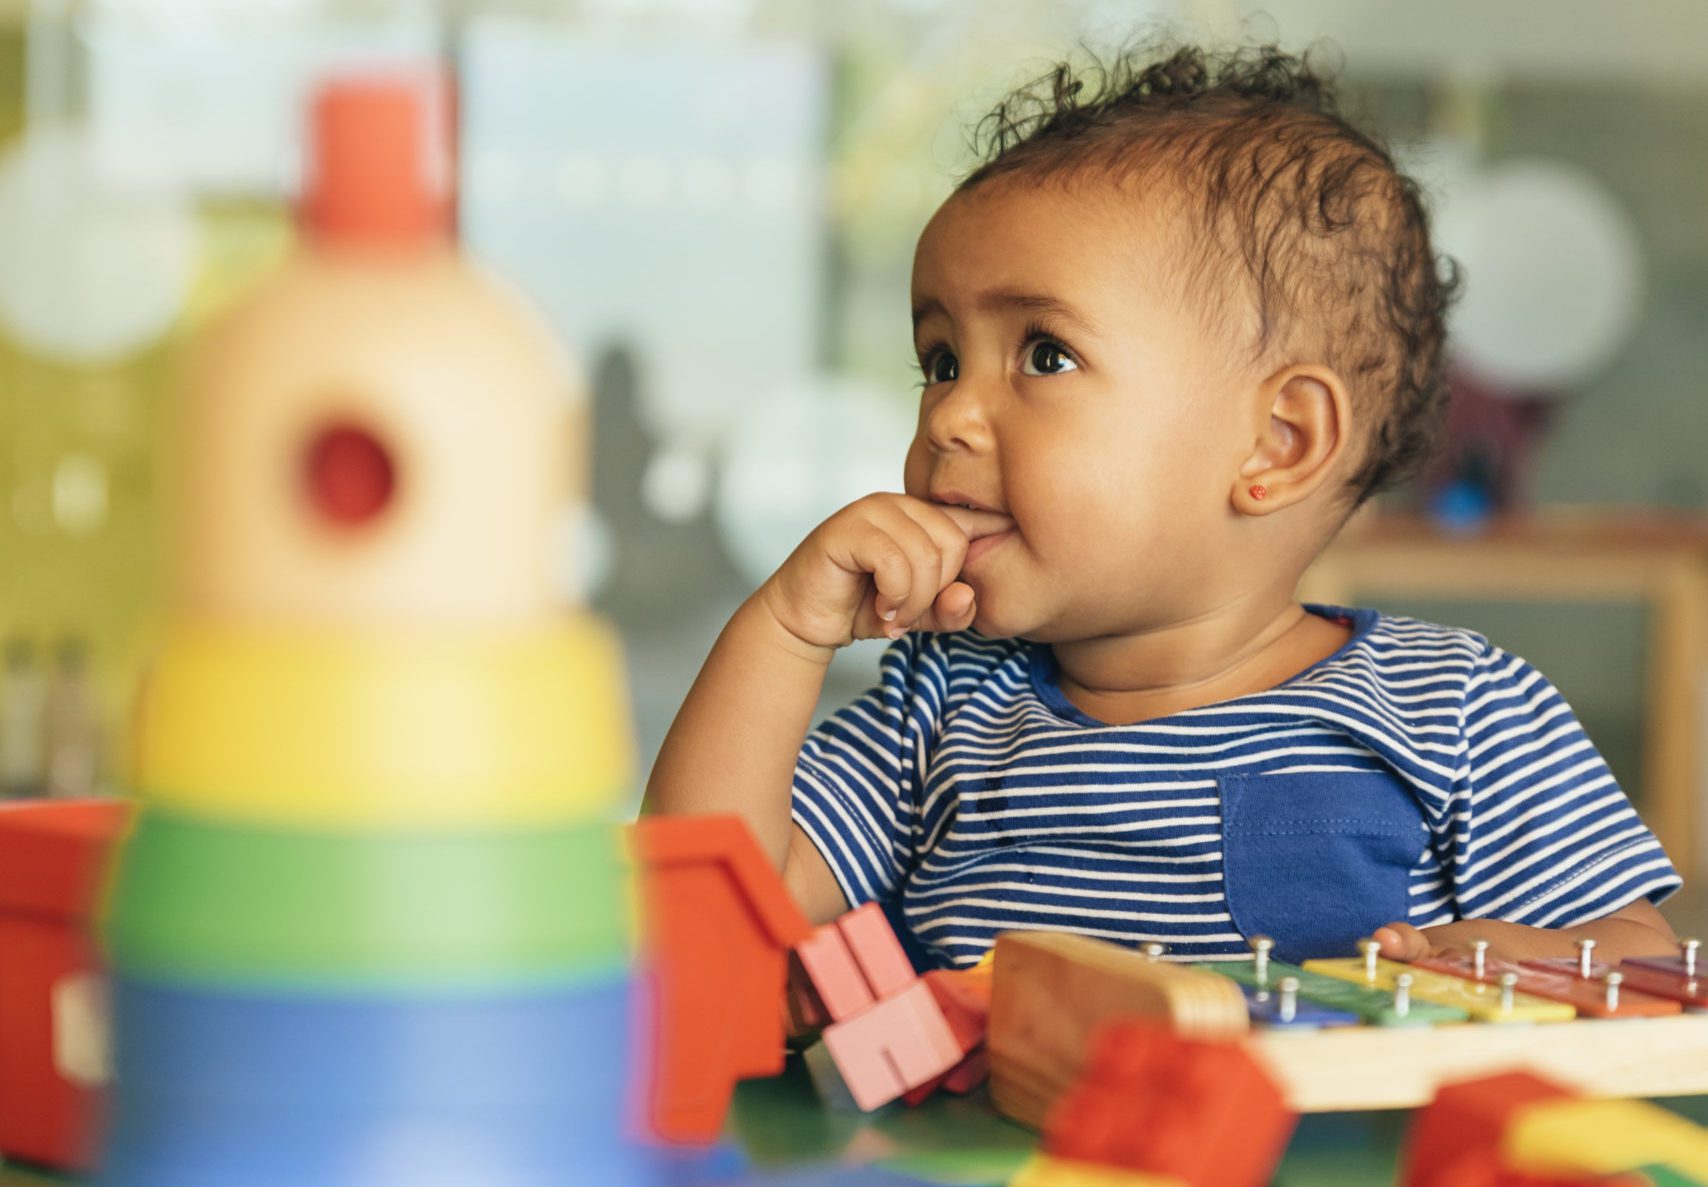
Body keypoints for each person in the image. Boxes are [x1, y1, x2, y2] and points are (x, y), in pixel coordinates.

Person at [645, 43, 1680, 971]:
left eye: (1044, 354)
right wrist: (783, 631)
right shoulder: (940, 711)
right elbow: (710, 922)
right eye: (940, 358)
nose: (952, 412)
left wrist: (1514, 963)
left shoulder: (1456, 710)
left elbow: (1640, 960)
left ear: (1278, 444)